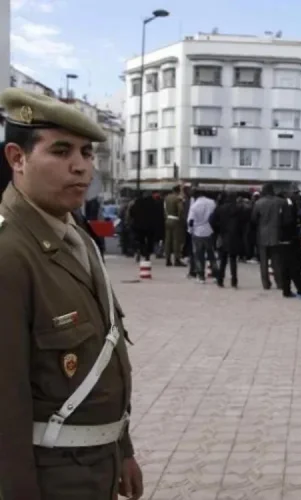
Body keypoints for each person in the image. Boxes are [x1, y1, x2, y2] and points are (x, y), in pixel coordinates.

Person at [0, 88, 142, 499]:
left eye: (86, 153)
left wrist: (122, 449)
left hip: (95, 468)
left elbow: (104, 352)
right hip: (47, 480)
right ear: (17, 157)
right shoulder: (10, 254)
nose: (81, 168)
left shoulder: (74, 236)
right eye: (61, 151)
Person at [210, 192, 248, 288]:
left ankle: (220, 280)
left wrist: (217, 230)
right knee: (233, 259)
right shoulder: (239, 209)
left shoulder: (220, 209)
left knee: (223, 260)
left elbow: (211, 221)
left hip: (223, 235)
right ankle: (234, 281)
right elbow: (244, 222)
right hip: (235, 237)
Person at [252, 183, 284, 290]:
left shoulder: (258, 203)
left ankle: (266, 283)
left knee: (264, 261)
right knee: (277, 261)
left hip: (262, 234)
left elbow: (253, 219)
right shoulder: (280, 202)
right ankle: (280, 282)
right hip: (277, 234)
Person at [187, 190, 217, 283]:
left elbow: (191, 221)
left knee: (199, 255)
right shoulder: (212, 203)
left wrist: (190, 230)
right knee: (211, 254)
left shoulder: (194, 206)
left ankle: (201, 276)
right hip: (209, 230)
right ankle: (215, 274)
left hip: (198, 232)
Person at [163, 185, 185, 267]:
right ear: (178, 191)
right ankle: (177, 259)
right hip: (175, 220)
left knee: (168, 240)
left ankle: (168, 259)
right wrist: (180, 218)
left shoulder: (167, 198)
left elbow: (164, 209)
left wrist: (166, 217)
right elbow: (181, 209)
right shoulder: (177, 199)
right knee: (176, 241)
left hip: (168, 219)